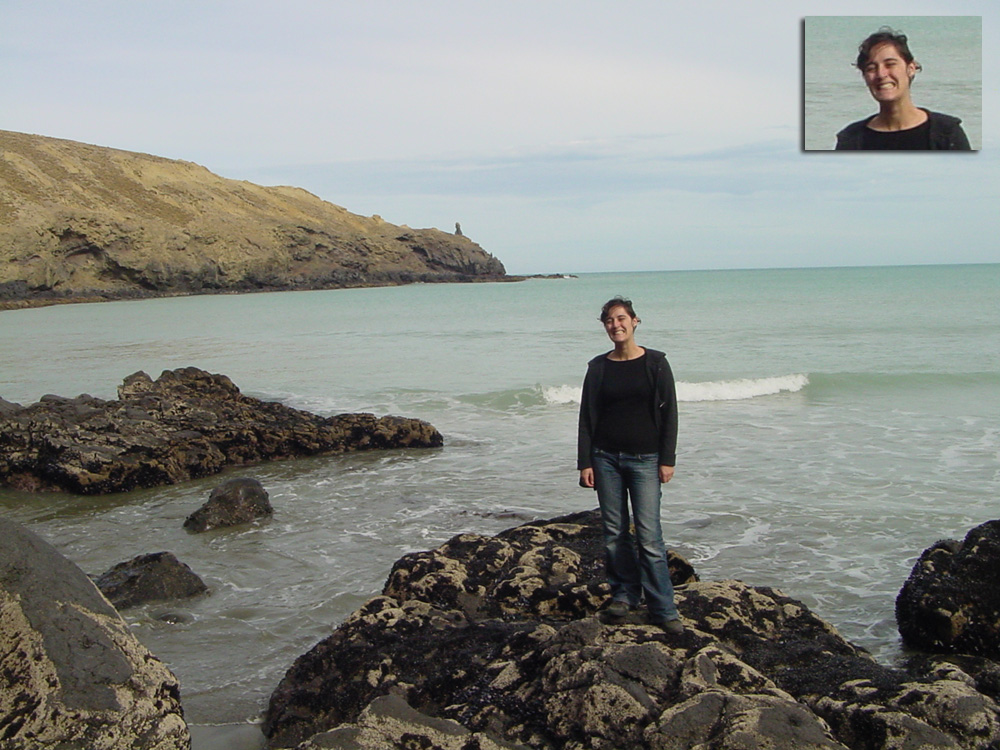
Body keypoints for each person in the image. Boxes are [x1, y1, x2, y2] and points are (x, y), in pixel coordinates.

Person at [577, 296, 683, 634]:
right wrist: (585, 462)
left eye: (621, 318)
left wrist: (667, 459)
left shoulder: (656, 363)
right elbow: (586, 418)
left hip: (645, 460)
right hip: (605, 458)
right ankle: (624, 595)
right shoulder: (598, 367)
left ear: (635, 321)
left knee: (649, 536)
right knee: (614, 533)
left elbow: (670, 414)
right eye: (609, 320)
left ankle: (663, 608)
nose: (615, 325)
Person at [836, 27, 971, 150]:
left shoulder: (946, 132)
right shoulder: (852, 139)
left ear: (911, 68)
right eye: (871, 68)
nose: (881, 74)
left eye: (890, 64)